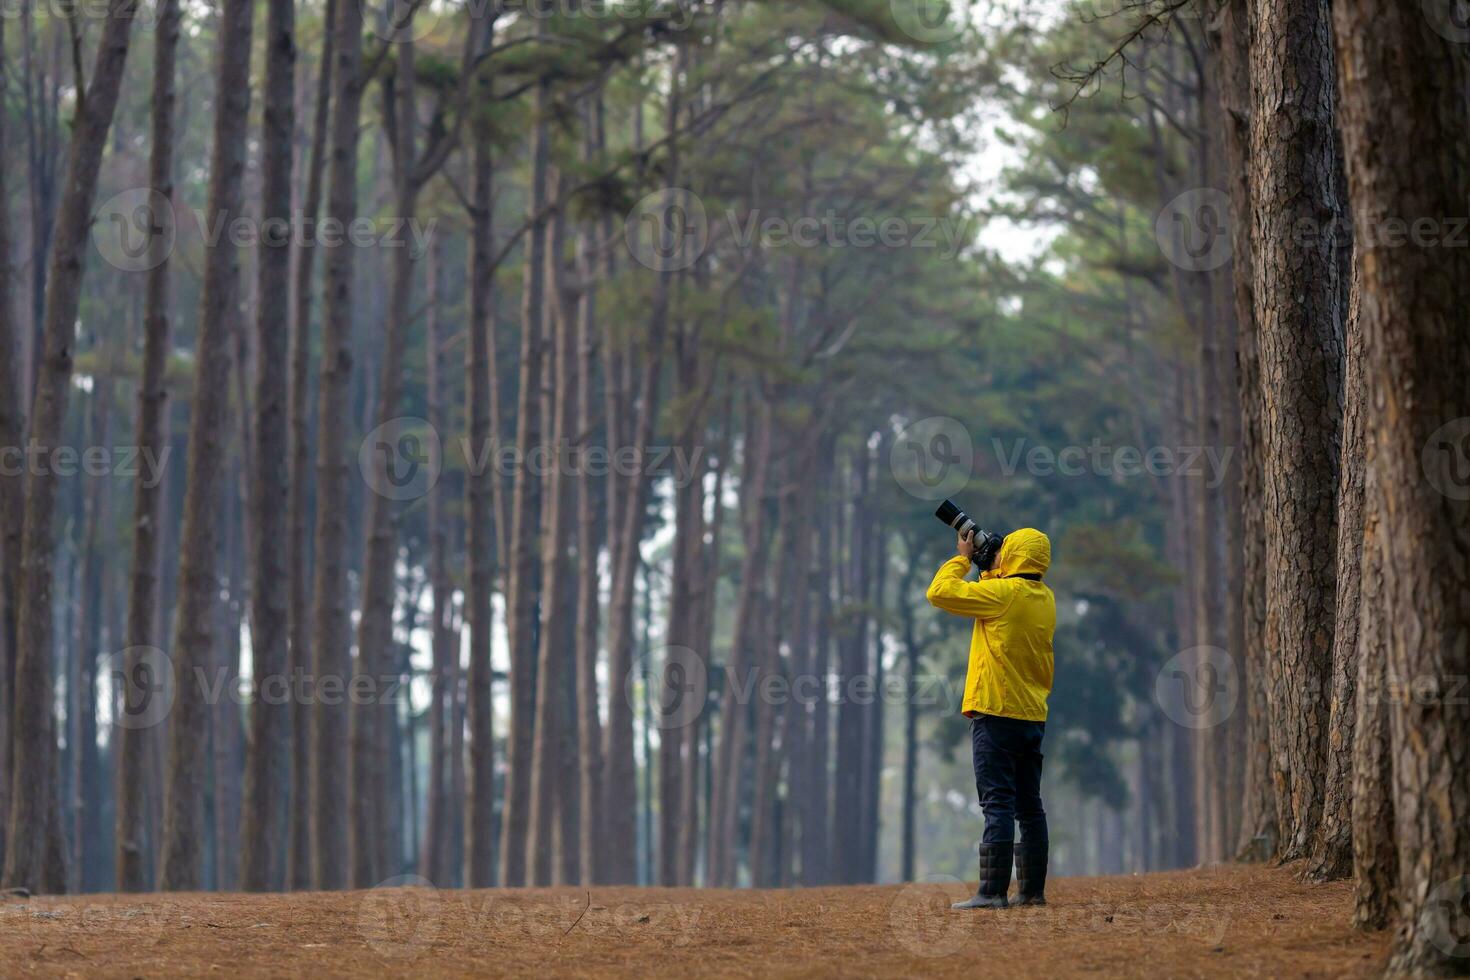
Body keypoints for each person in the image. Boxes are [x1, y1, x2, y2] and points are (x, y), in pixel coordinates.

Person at [925, 526, 1055, 909]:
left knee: (997, 803)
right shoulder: (1044, 598)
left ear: (1012, 556)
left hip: (996, 713)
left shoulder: (1002, 596)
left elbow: (940, 592)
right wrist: (992, 567)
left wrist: (964, 557)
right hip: (1031, 716)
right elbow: (1005, 597)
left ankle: (991, 892)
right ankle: (1031, 891)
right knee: (1029, 805)